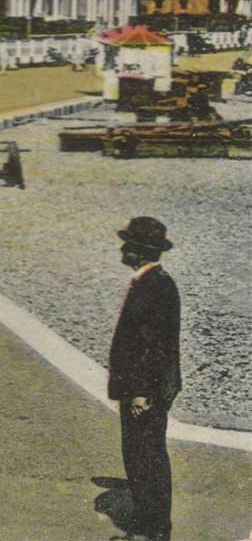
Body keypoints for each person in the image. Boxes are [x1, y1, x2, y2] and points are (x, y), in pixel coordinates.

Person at [108, 217, 181, 541]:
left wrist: (140, 393)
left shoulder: (157, 286)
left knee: (147, 458)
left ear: (138, 251)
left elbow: (157, 346)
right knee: (138, 456)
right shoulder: (150, 282)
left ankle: (154, 529)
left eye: (128, 244)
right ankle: (145, 522)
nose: (123, 249)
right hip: (142, 387)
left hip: (145, 391)